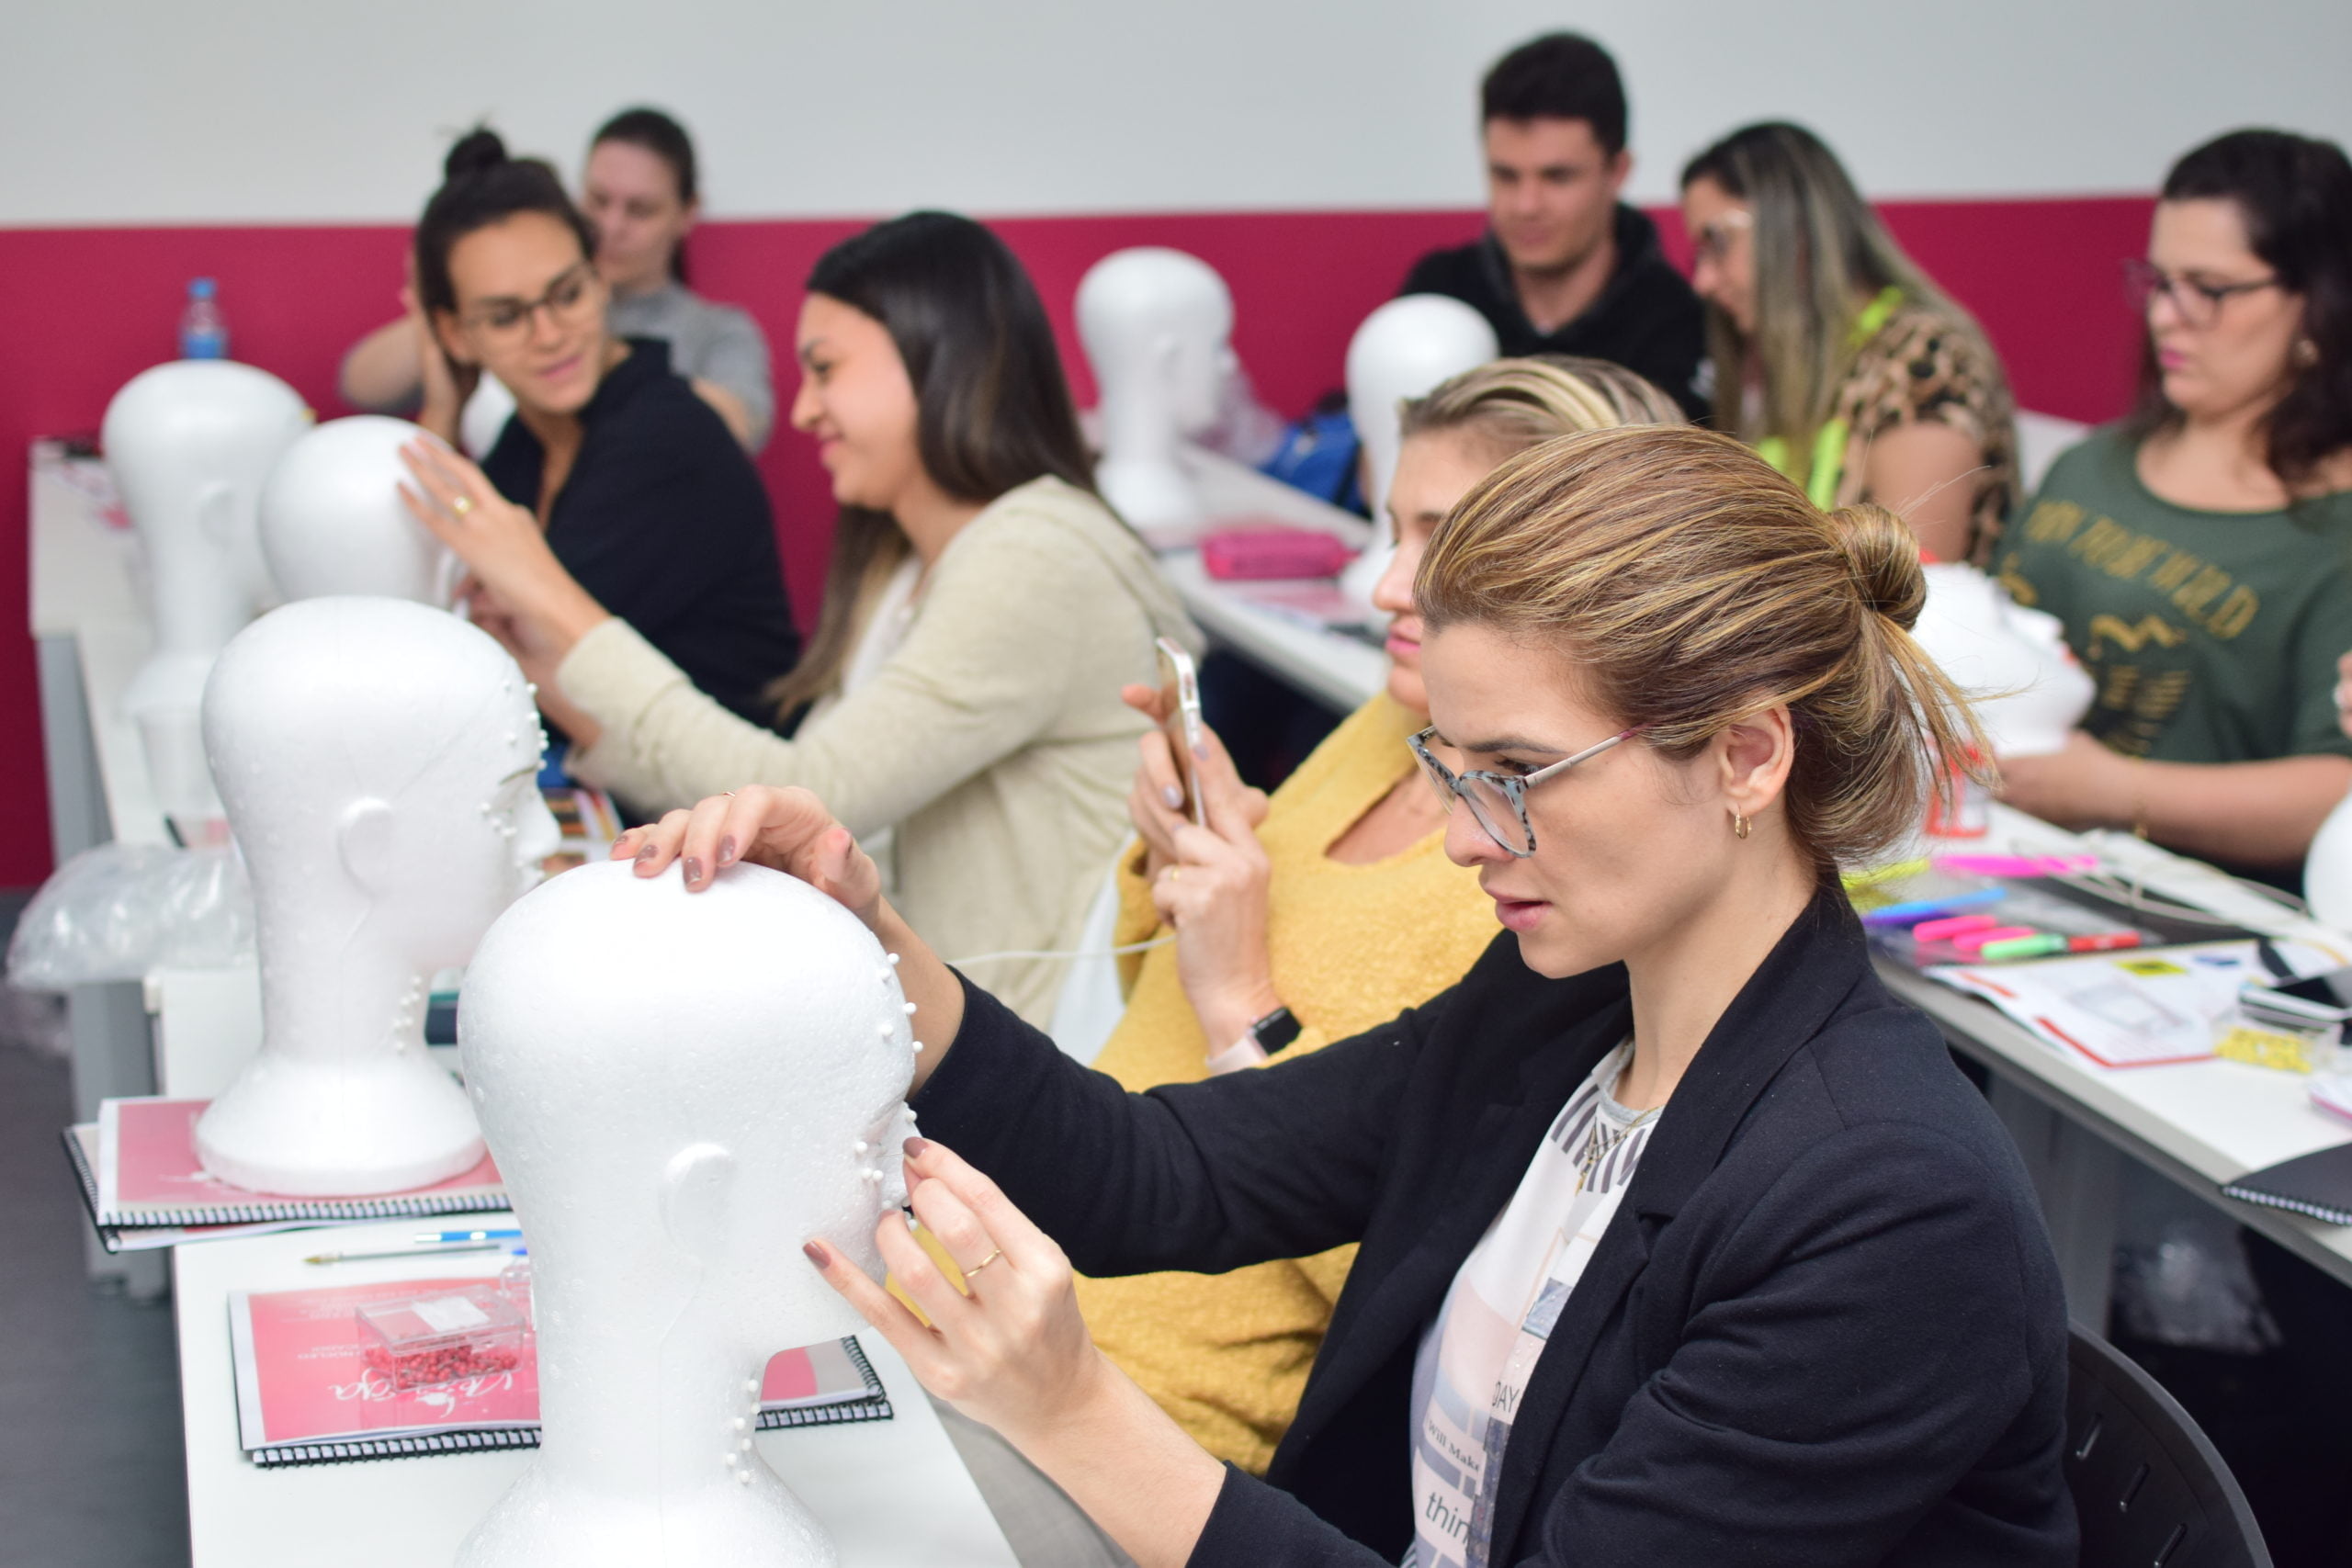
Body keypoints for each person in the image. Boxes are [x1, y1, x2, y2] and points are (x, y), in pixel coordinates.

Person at [622, 424, 2075, 1567]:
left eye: (1514, 776)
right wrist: (877, 934)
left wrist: (1076, 1411)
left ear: (1750, 756)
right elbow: (1169, 1173)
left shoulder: (1886, 1205)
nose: (1461, 835)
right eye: (1452, 766)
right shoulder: (1571, 1004)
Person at [1079, 358, 1683, 1477]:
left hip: (1159, 1418)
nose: (1385, 584)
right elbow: (1151, 1014)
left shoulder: (1556, 875)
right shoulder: (1388, 720)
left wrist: (1240, 1003)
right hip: (1035, 1280)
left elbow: (1427, 1289)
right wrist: (1174, 856)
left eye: (1438, 539)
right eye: (1387, 527)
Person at [403, 210, 1196, 1030]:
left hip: (1026, 1048)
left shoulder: (1034, 559)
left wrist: (545, 586)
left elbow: (809, 800)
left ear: (939, 363)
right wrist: (547, 655)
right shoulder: (908, 562)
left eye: (826, 370)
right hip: (923, 1011)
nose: (805, 411)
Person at [1994, 129, 2352, 880]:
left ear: (2318, 305)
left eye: (2211, 289)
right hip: (2012, 860)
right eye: (2159, 281)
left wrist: (2118, 792)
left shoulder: (2332, 529)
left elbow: (2337, 790)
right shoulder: (2095, 461)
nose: (2166, 316)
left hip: (2204, 921)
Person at [392, 129, 796, 736]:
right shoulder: (527, 443)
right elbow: (443, 619)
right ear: (454, 334)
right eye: (506, 317)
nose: (550, 333)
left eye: (568, 294)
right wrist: (444, 409)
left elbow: (480, 672)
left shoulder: (665, 439)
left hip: (731, 815)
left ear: (600, 279)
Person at [1679, 122, 2019, 567]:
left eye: (1718, 242)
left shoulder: (1926, 356)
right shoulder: (1788, 359)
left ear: (1793, 228)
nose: (1702, 281)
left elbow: (1913, 588)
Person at [342, 108, 775, 451]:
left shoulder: (718, 329)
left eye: (640, 210)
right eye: (598, 200)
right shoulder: (520, 456)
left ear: (686, 212)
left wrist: (597, 348)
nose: (611, 226)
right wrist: (458, 305)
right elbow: (361, 387)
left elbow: (741, 428)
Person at [1398, 33, 1707, 420]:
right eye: (1505, 175)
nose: (1526, 205)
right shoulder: (1439, 294)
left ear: (1618, 171)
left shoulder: (1677, 322)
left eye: (1557, 177)